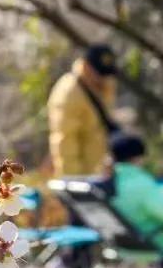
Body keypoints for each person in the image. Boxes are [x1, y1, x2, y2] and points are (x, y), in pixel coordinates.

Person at [48, 44, 119, 178]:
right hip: (82, 177)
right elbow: (65, 141)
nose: (104, 79)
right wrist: (72, 180)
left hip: (101, 172)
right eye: (99, 74)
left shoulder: (105, 86)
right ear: (86, 66)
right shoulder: (69, 93)